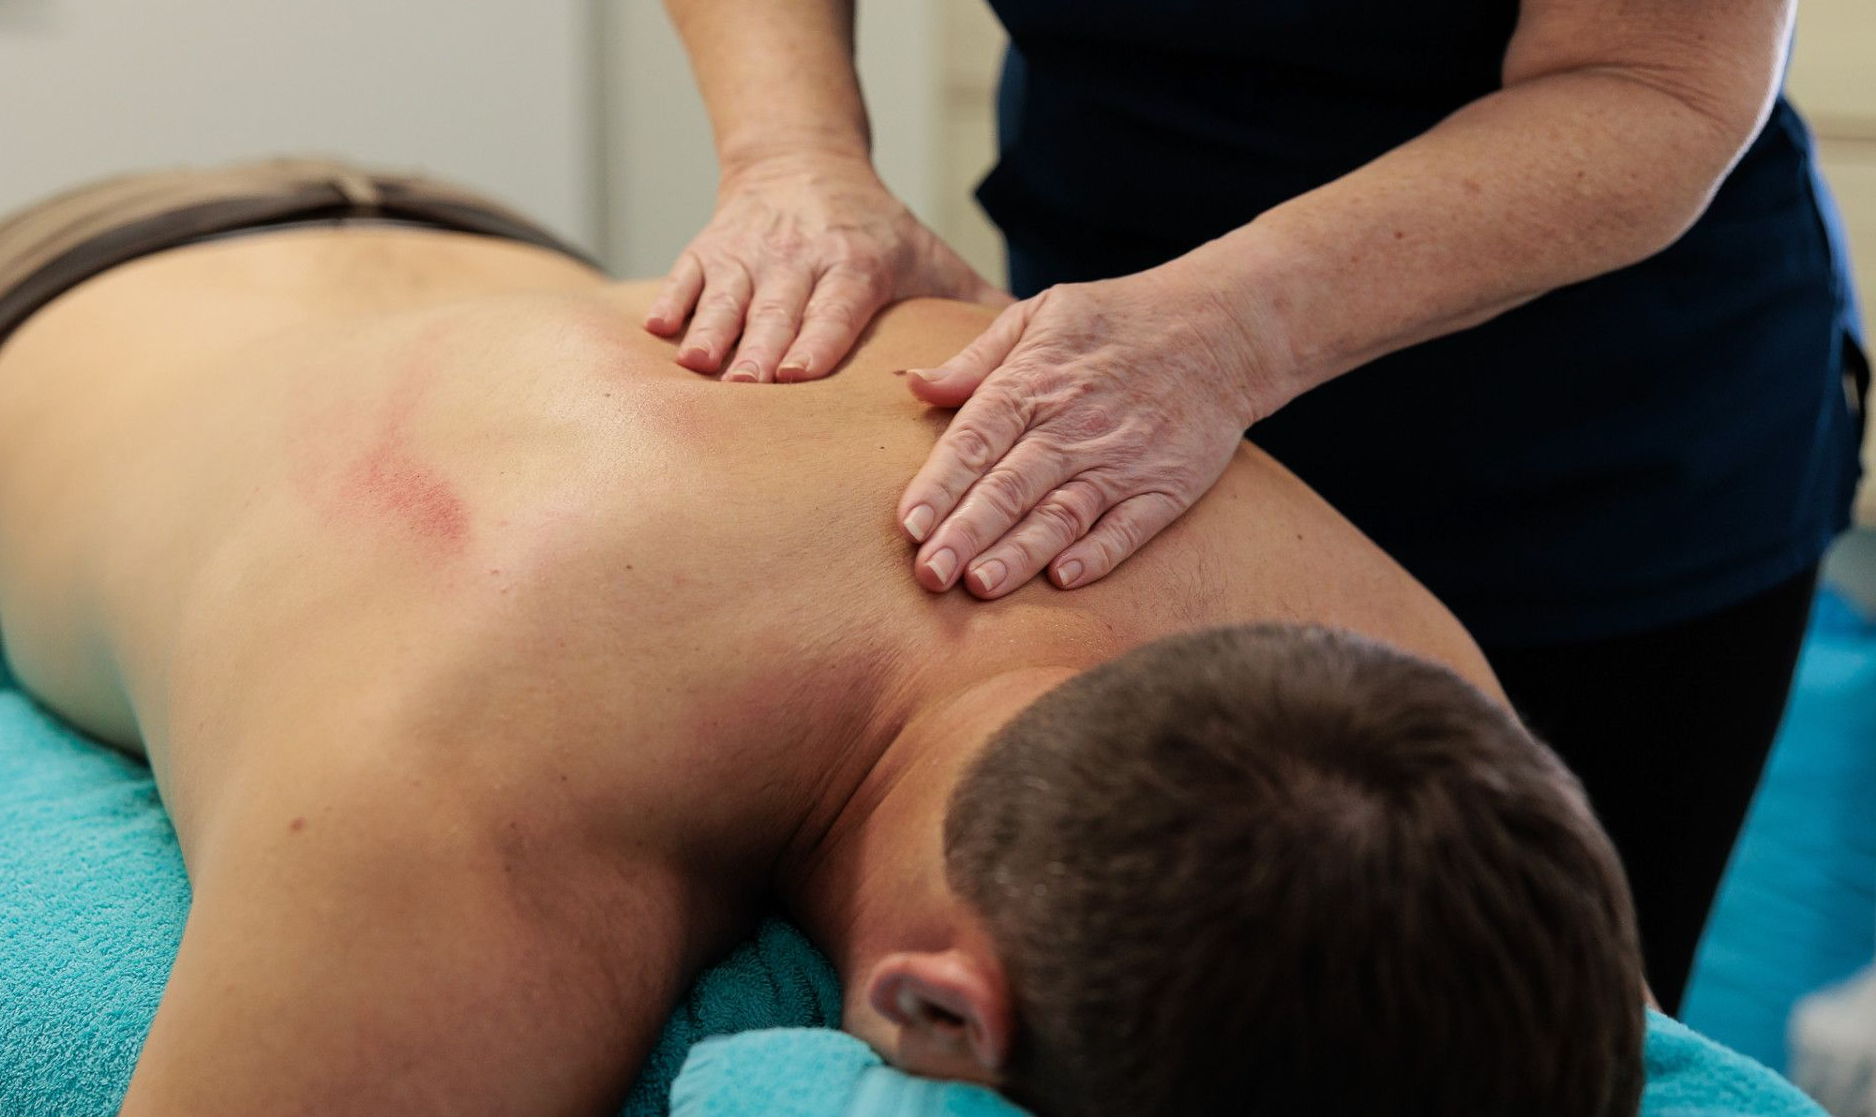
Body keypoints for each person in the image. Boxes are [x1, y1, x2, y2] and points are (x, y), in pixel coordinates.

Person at [0, 162, 1645, 1116]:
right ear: (935, 1016)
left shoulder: (1407, 685)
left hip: (521, 276)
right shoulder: (472, 802)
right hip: (54, 294)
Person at [651, 0, 1869, 1009]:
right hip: (1109, 339)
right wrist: (791, 155)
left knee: (1507, 1011)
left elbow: (1653, 79)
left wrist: (1232, 333)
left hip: (1585, 440)